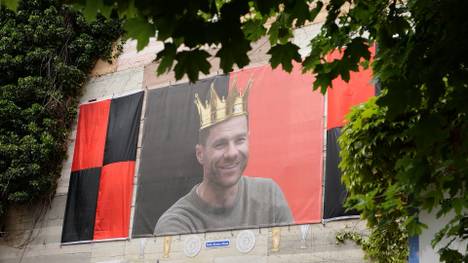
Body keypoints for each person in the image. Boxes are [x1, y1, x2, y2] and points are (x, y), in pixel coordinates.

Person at [154, 81, 293, 236]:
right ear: (200, 154)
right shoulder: (176, 224)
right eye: (220, 144)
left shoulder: (269, 194)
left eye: (240, 140)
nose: (232, 153)